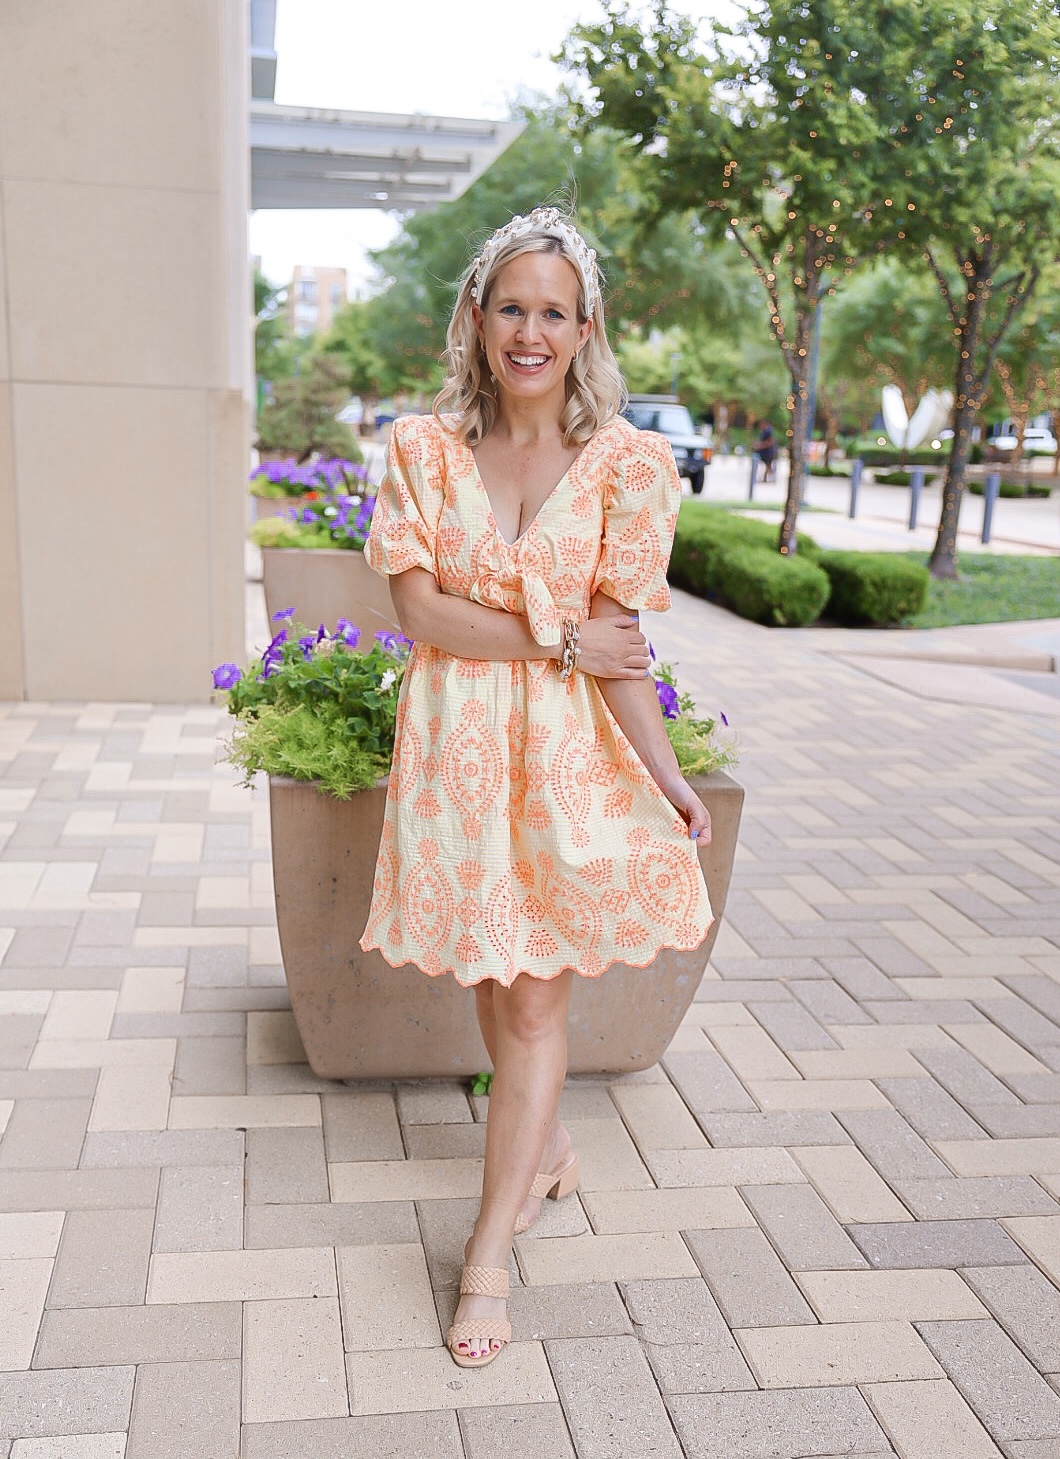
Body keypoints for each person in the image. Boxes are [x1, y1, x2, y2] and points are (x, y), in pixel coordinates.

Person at [359, 206, 714, 1368]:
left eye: (552, 311)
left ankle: (486, 1259)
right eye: (511, 305)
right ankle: (548, 1143)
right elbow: (419, 613)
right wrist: (558, 643)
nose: (529, 330)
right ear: (478, 313)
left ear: (582, 326)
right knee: (491, 968)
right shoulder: (420, 447)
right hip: (456, 765)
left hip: (565, 773)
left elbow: (625, 654)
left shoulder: (624, 465)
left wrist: (663, 776)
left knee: (529, 1004)